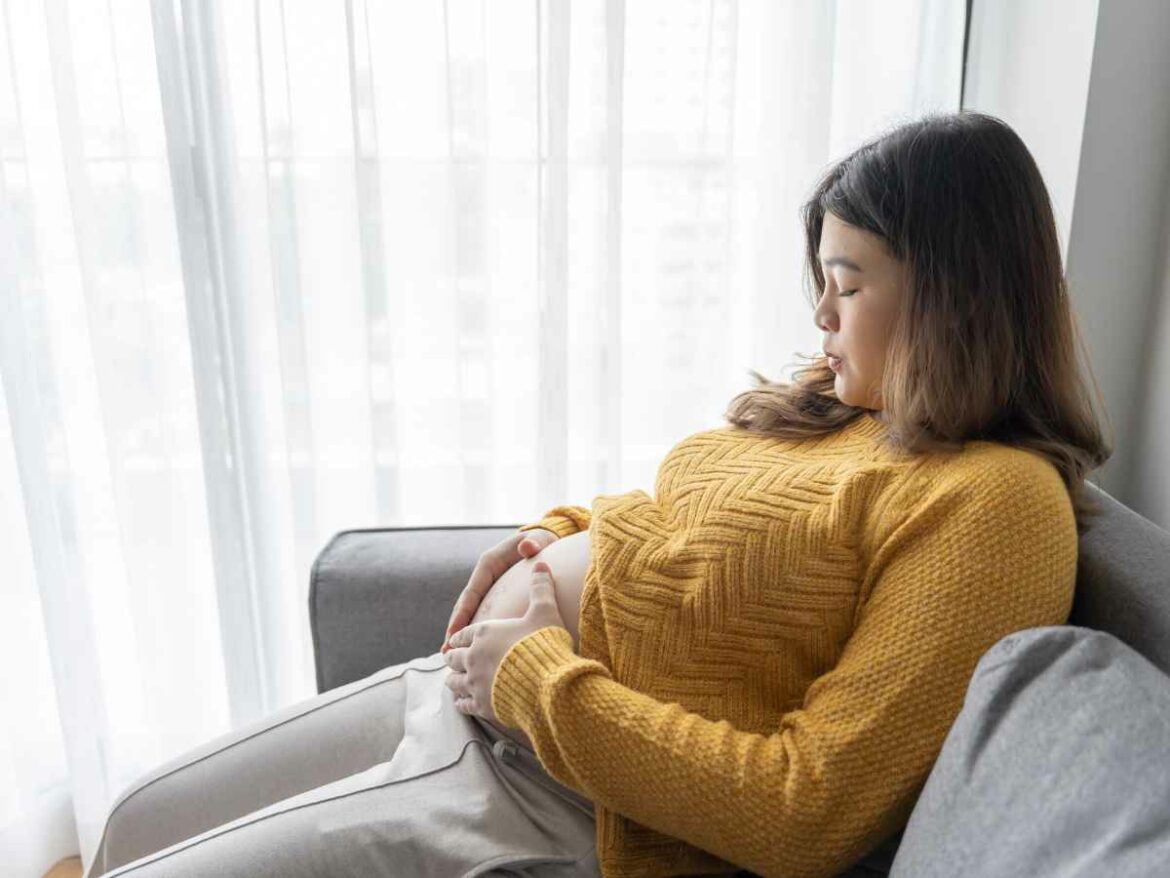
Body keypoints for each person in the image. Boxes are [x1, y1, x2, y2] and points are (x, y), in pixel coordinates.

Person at [86, 109, 1111, 878]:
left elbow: (809, 807)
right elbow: (682, 521)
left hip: (548, 791)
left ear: (950, 292)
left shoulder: (995, 505)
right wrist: (550, 536)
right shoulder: (843, 407)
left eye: (847, 283)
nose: (819, 311)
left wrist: (532, 672)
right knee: (131, 817)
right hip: (457, 697)